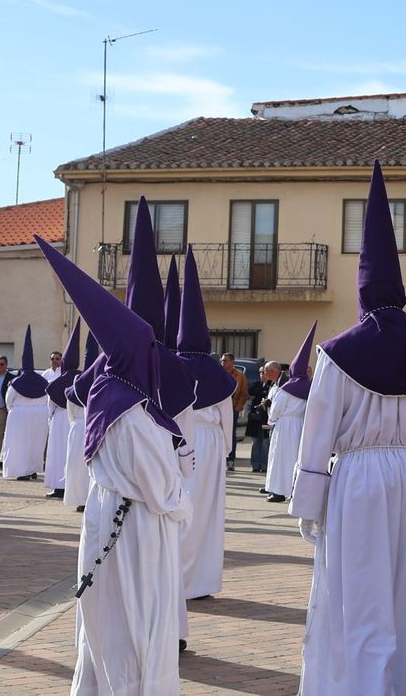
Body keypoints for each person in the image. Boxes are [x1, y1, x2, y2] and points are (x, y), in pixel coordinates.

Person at [290, 162, 406, 694]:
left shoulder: (338, 355)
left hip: (358, 483)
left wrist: (309, 501)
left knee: (360, 599)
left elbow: (317, 432)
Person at [34, 234, 191, 695]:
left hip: (111, 516)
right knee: (133, 618)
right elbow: (161, 488)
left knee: (106, 617)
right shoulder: (132, 414)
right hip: (137, 527)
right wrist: (184, 503)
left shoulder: (108, 397)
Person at [175, 248, 238, 604]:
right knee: (207, 513)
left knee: (181, 507)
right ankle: (199, 580)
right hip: (211, 443)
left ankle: (175, 576)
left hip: (181, 440)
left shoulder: (170, 367)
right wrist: (225, 448)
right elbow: (227, 416)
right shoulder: (216, 373)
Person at [265, 325, 314, 503]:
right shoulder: (311, 388)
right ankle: (295, 491)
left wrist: (272, 420)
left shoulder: (287, 388)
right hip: (302, 425)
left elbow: (276, 409)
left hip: (285, 426)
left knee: (281, 458)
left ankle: (278, 490)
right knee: (296, 458)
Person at [1, 326, 51, 480]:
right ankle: (32, 469)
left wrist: (12, 410)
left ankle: (21, 471)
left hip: (20, 414)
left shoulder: (16, 382)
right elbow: (47, 398)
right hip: (40, 414)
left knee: (19, 444)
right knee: (35, 444)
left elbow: (9, 400)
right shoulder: (43, 380)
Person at [64, 331, 99, 513]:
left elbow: (69, 411)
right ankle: (90, 499)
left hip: (77, 428)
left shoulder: (75, 387)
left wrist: (76, 423)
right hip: (94, 429)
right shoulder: (102, 384)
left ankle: (79, 499)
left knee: (76, 468)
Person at [44, 324, 81, 500]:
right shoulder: (82, 380)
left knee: (57, 453)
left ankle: (58, 487)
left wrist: (50, 419)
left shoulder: (57, 383)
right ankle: (72, 487)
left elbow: (50, 406)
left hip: (59, 419)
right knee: (73, 454)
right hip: (77, 421)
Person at [247, 360, 283, 474]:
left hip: (266, 418)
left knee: (265, 443)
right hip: (255, 419)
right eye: (261, 373)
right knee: (255, 442)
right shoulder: (255, 385)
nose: (263, 374)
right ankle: (255, 465)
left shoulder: (273, 385)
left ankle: (264, 465)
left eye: (265, 372)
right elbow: (251, 393)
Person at [222, 353, 248, 472]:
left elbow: (244, 394)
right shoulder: (219, 373)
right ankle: (220, 459)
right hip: (220, 408)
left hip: (233, 408)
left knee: (231, 434)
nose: (223, 363)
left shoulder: (240, 375)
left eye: (226, 361)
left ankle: (230, 460)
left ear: (232, 362)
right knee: (219, 433)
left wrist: (237, 407)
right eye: (222, 361)